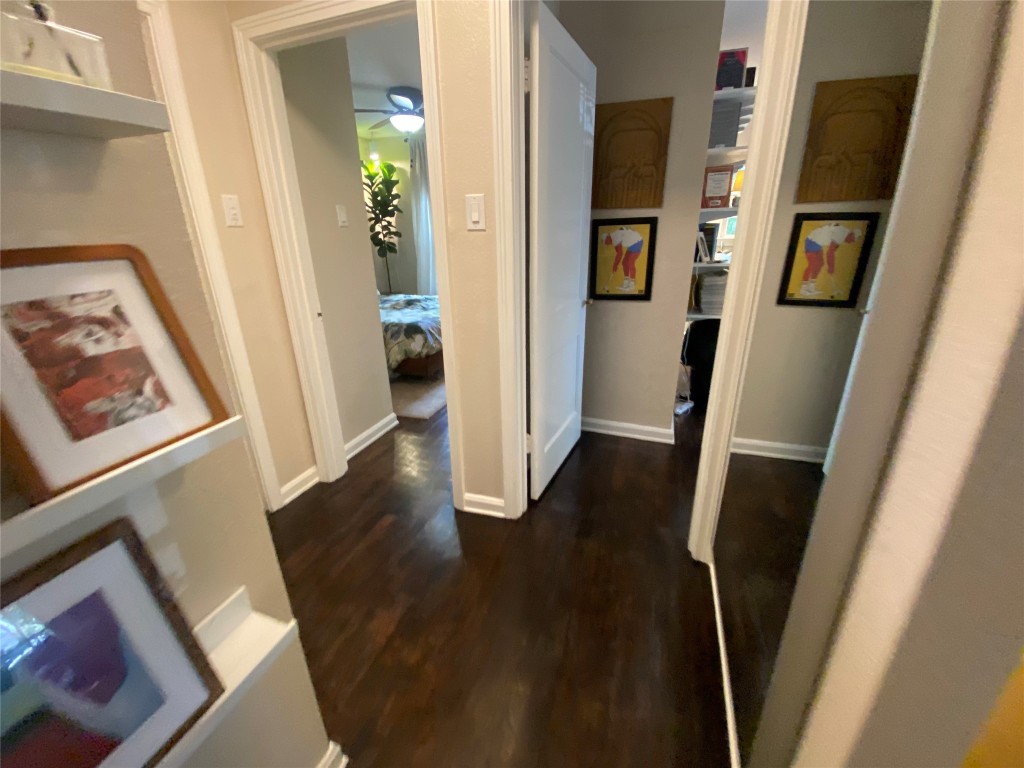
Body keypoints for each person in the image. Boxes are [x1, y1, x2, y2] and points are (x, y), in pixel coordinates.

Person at [800, 222, 862, 297]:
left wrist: (831, 266)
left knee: (820, 264)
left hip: (818, 243)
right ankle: (803, 289)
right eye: (853, 240)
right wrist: (831, 267)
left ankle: (811, 287)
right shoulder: (841, 234)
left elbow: (832, 251)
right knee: (812, 264)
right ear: (851, 235)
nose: (851, 242)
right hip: (812, 240)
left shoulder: (844, 234)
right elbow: (830, 253)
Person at [603, 227, 644, 292]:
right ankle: (626, 282)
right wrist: (615, 265)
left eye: (606, 242)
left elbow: (620, 254)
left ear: (608, 238)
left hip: (637, 241)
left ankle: (632, 285)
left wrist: (615, 265)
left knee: (630, 262)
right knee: (624, 262)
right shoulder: (613, 238)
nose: (607, 244)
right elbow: (618, 252)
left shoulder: (615, 237)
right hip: (631, 244)